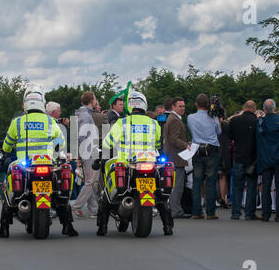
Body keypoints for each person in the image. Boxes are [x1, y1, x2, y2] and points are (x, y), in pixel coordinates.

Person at [0, 84, 78, 238]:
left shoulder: (17, 122)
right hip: (48, 164)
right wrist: (55, 155)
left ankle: (4, 228)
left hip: (24, 164)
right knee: (60, 194)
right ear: (42, 102)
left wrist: (5, 153)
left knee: (10, 192)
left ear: (25, 102)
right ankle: (67, 226)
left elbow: (7, 145)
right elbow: (61, 142)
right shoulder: (50, 121)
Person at [98, 91, 174, 236]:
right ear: (144, 105)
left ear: (130, 106)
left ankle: (102, 226)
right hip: (150, 163)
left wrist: (101, 150)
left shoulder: (122, 122)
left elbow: (108, 143)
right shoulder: (154, 123)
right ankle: (167, 226)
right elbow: (159, 143)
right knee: (159, 195)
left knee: (108, 193)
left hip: (126, 163)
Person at [187, 94, 221, 220]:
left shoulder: (190, 117)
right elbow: (219, 132)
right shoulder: (213, 117)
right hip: (211, 150)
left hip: (197, 150)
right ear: (208, 104)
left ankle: (196, 211)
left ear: (196, 104)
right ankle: (210, 212)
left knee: (197, 181)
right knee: (211, 181)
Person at [256, 99, 279, 222]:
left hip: (265, 158)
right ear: (275, 108)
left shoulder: (261, 122)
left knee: (266, 186)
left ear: (264, 109)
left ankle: (265, 214)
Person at [228, 101, 260, 220]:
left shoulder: (235, 120)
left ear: (244, 108)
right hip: (252, 157)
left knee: (237, 185)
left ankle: (236, 212)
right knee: (252, 185)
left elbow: (230, 137)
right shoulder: (256, 121)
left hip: (238, 156)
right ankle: (249, 212)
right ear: (254, 109)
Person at [71, 91, 100, 219]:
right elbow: (82, 136)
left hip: (86, 152)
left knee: (90, 181)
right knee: (92, 181)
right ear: (91, 101)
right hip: (89, 152)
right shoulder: (86, 116)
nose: (96, 101)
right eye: (95, 99)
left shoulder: (82, 114)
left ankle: (94, 210)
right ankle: (76, 206)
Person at [164, 97, 191, 219]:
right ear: (173, 107)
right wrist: (186, 145)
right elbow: (174, 139)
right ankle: (175, 210)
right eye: (180, 106)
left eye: (184, 106)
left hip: (173, 156)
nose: (183, 108)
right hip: (176, 157)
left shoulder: (172, 118)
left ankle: (174, 209)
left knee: (175, 185)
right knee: (177, 186)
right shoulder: (174, 120)